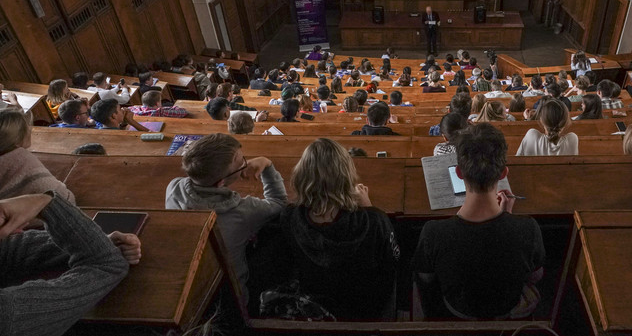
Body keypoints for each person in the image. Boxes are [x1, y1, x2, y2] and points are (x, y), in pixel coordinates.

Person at [413, 123, 545, 319]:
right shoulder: (528, 229)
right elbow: (535, 276)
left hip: (455, 311)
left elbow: (425, 278)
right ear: (503, 173)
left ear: (459, 173)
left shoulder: (433, 232)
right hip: (506, 311)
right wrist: (506, 218)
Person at [273, 138, 399, 319]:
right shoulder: (373, 220)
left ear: (302, 175)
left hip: (315, 304)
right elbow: (392, 260)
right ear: (346, 176)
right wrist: (369, 209)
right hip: (364, 306)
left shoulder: (290, 216)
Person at [166, 133, 288, 302]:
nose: (245, 162)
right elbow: (279, 202)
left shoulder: (173, 187)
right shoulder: (244, 211)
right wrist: (267, 165)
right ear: (221, 183)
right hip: (233, 294)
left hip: (186, 284)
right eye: (241, 163)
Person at [0, 192, 141, 335]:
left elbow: (15, 249)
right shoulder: (7, 315)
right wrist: (45, 203)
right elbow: (108, 265)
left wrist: (101, 241)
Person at [0, 108, 76, 203]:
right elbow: (65, 199)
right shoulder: (21, 159)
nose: (30, 129)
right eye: (27, 127)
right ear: (18, 135)